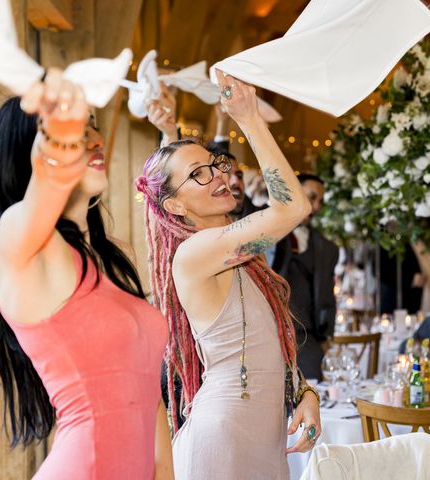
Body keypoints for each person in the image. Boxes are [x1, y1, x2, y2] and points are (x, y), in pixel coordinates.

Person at [0, 71, 174, 479]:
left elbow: (146, 399)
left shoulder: (108, 259)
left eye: (92, 126)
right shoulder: (20, 240)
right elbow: (51, 175)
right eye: (69, 130)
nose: (94, 139)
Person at [136, 71, 321, 479]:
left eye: (215, 165)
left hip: (262, 437)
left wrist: (303, 391)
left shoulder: (238, 256)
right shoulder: (195, 254)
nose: (219, 175)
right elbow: (293, 208)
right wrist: (249, 117)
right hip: (222, 439)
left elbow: (262, 340)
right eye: (198, 174)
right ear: (176, 208)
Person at [272, 173, 339, 380]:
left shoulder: (327, 248)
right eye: (311, 197)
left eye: (320, 201)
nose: (316, 206)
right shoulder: (269, 233)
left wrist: (326, 336)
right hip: (269, 333)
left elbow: (327, 296)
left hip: (306, 337)